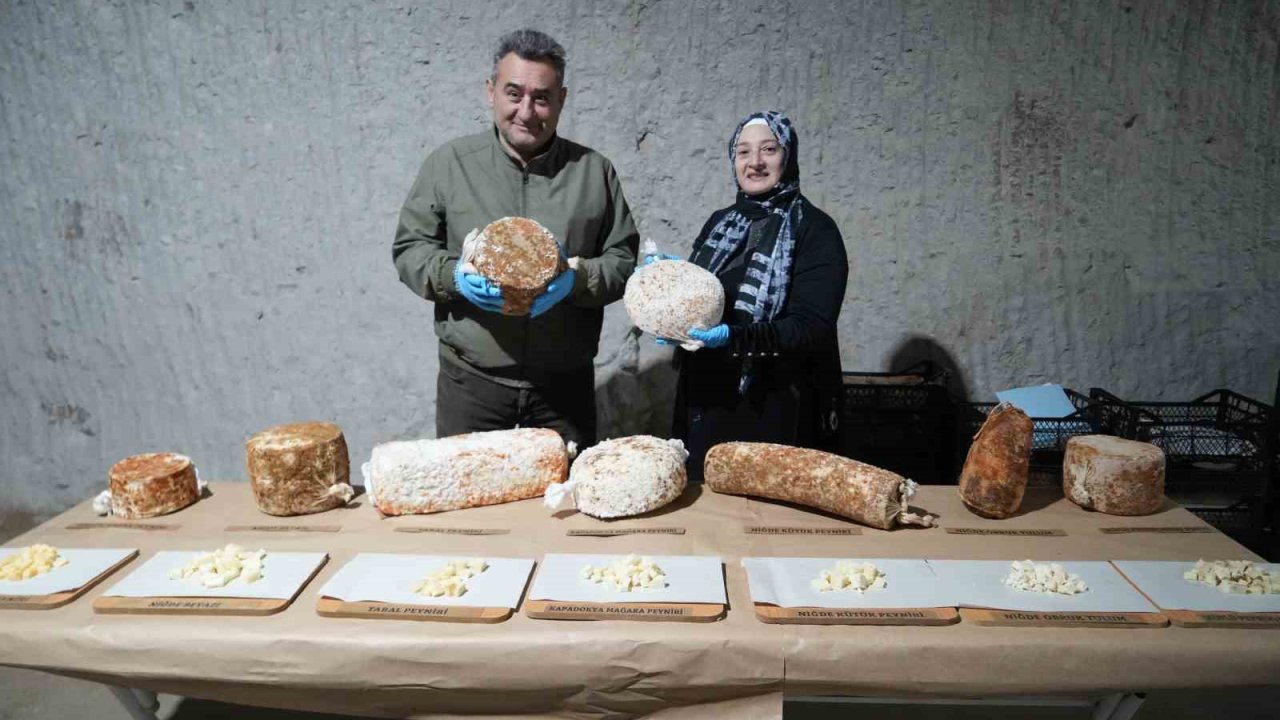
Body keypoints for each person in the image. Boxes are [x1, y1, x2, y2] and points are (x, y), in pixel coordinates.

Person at [393, 29, 639, 448]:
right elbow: (410, 249)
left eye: (542, 97)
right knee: (469, 510)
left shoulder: (594, 172)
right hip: (472, 384)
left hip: (564, 387)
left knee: (563, 503)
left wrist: (575, 280)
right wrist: (456, 276)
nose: (527, 111)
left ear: (561, 99)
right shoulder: (449, 164)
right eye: (514, 93)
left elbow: (622, 260)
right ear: (491, 92)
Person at [660, 111, 848, 481]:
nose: (755, 162)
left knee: (772, 524)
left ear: (787, 156)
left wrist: (735, 337)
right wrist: (667, 286)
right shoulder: (720, 224)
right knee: (708, 517)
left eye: (769, 149)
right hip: (709, 401)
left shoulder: (816, 230)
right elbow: (701, 300)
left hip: (779, 404)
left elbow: (812, 327)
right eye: (743, 152)